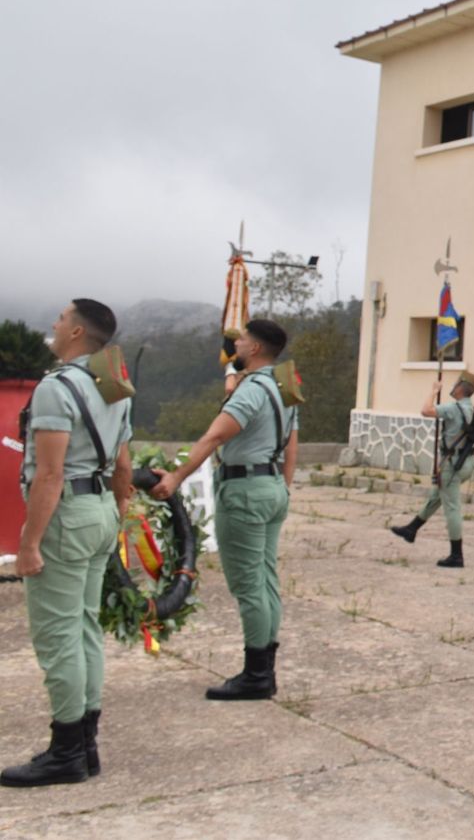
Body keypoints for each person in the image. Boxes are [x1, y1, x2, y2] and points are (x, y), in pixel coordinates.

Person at [3, 300, 132, 788]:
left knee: (58, 636)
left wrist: (29, 542)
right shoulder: (113, 386)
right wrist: (115, 516)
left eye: (60, 319)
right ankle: (85, 745)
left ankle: (66, 752)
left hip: (66, 516)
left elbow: (50, 474)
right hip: (99, 511)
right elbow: (123, 465)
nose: (54, 325)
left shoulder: (56, 388)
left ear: (77, 332)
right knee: (84, 628)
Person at [151, 318, 297, 701]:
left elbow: (215, 435)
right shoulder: (282, 387)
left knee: (249, 585)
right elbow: (292, 441)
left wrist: (176, 476)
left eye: (243, 340)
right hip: (271, 487)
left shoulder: (251, 390)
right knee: (265, 580)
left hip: (244, 491)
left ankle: (256, 675)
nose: (237, 345)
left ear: (256, 348)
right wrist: (284, 486)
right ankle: (264, 669)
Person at [389, 370, 474, 568]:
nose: (453, 387)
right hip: (465, 464)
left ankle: (456, 555)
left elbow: (426, 410)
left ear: (460, 388)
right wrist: (470, 459)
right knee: (436, 497)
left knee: (452, 507)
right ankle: (411, 529)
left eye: (455, 384)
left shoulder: (453, 409)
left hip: (451, 465)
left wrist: (434, 391)